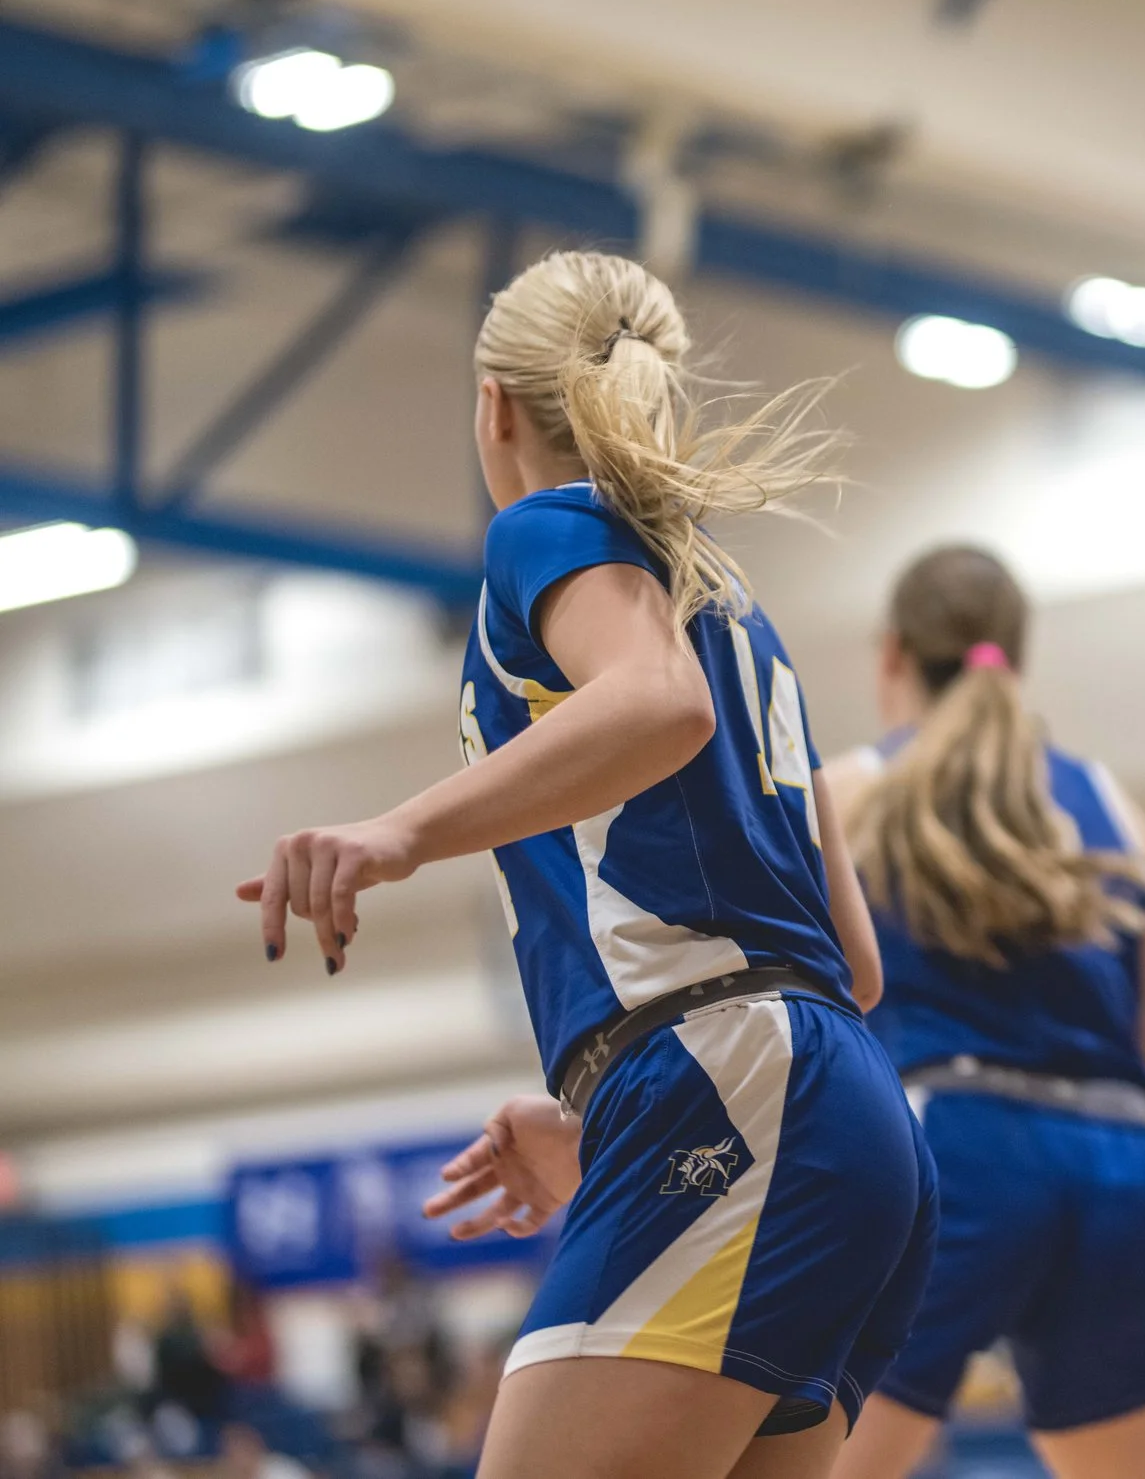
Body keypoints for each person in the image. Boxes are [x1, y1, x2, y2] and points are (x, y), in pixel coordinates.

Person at [239, 251, 934, 1479]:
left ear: (492, 405)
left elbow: (659, 707)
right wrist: (601, 1106)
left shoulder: (545, 528)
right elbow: (853, 964)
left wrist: (398, 831)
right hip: (839, 1112)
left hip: (734, 1088)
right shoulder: (727, 603)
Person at [822, 546, 1145, 1479]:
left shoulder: (848, 789)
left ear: (891, 655)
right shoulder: (1117, 804)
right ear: (1016, 660)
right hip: (1123, 1164)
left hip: (959, 1147)